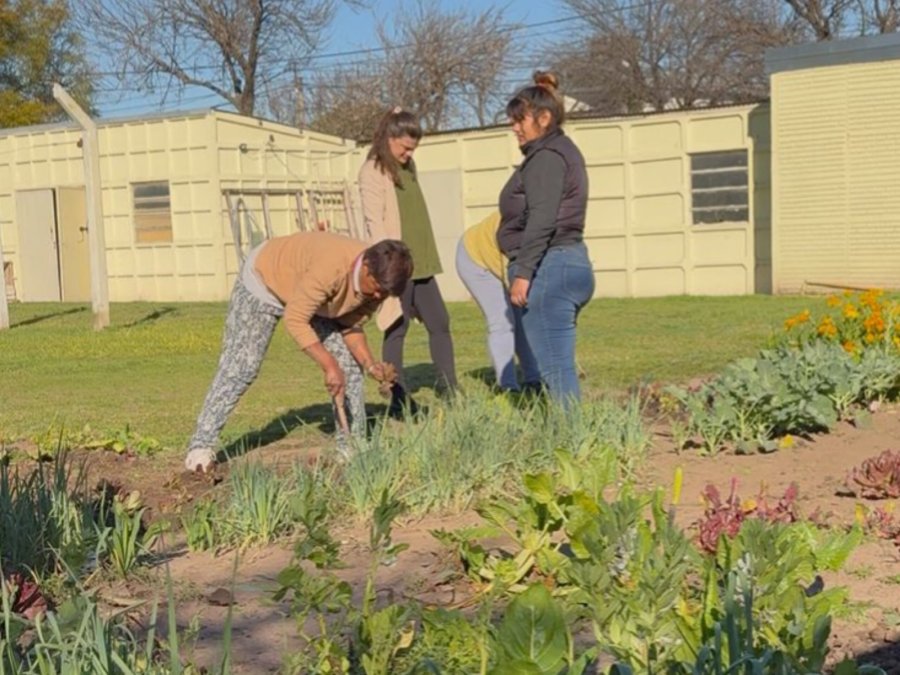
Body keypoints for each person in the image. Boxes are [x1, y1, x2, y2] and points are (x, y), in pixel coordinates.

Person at [184, 231, 413, 473]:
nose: (378, 297)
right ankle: (200, 447)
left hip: (313, 298)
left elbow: (349, 324)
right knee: (242, 368)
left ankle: (351, 446)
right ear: (366, 266)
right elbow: (296, 319)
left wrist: (370, 364)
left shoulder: (381, 284)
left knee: (349, 367)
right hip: (266, 280)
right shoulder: (332, 267)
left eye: (385, 294)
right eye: (377, 289)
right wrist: (328, 365)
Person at [497, 72, 594, 405]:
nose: (514, 127)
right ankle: (573, 437)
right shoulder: (555, 152)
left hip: (550, 268)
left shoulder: (547, 157)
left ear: (544, 118)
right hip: (562, 263)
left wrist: (524, 272)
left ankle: (571, 441)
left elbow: (543, 217)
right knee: (558, 363)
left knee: (555, 367)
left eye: (519, 119)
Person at [358, 107, 457, 416]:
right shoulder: (372, 170)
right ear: (389, 138)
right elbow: (374, 223)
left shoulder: (409, 165)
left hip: (422, 259)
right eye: (405, 146)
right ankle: (398, 398)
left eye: (413, 148)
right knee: (396, 328)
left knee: (440, 322)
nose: (409, 153)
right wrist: (387, 266)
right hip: (397, 264)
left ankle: (451, 388)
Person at [455, 212, 540, 392]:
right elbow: (517, 281)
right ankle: (508, 387)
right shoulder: (515, 226)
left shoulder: (545, 221)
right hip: (475, 259)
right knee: (502, 322)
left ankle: (534, 379)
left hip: (499, 257)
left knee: (521, 321)